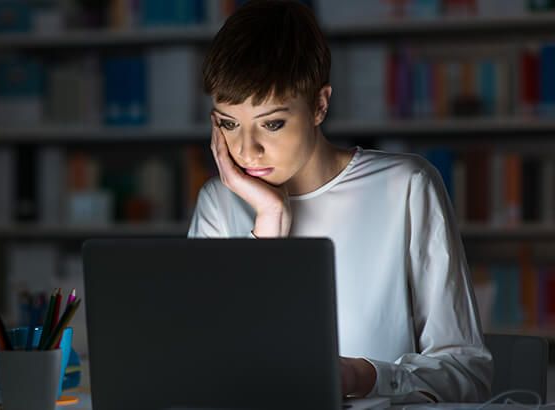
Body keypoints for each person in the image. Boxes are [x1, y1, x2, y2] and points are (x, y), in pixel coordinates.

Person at [187, 0, 492, 403]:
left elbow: (467, 374)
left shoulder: (407, 187)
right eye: (229, 124)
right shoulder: (219, 203)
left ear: (319, 105)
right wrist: (269, 223)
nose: (247, 150)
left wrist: (362, 376)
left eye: (272, 124)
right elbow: (205, 369)